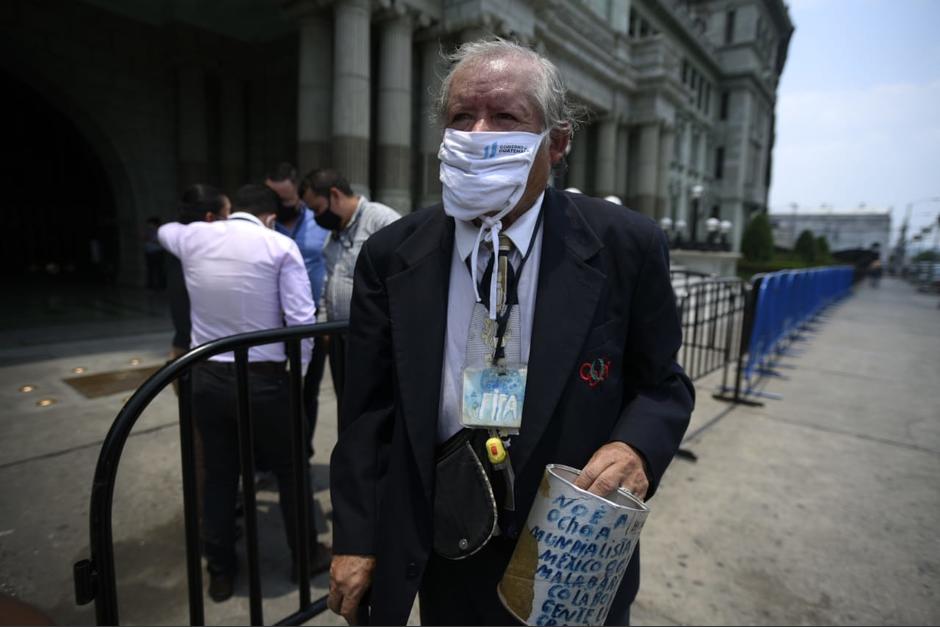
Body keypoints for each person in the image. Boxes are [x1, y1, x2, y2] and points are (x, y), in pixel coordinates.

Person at [328, 39, 694, 625]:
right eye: (460, 117)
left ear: (557, 142)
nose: (478, 133)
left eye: (505, 117)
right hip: (444, 542)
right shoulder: (392, 255)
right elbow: (367, 413)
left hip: (569, 548)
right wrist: (356, 534)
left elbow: (663, 384)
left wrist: (636, 449)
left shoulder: (626, 244)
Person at [159, 184, 330, 602]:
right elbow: (301, 322)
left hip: (208, 378)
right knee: (291, 470)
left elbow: (164, 231)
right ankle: (304, 556)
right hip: (265, 379)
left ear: (229, 210)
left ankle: (220, 569)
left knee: (219, 474)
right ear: (270, 216)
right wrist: (301, 377)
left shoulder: (193, 236)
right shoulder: (278, 247)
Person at [298, 168, 400, 413]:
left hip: (375, 339)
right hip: (339, 338)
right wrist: (323, 322)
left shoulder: (381, 220)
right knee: (347, 404)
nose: (315, 217)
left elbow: (403, 276)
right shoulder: (333, 236)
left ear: (335, 195)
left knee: (374, 405)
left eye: (317, 209)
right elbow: (328, 282)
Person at [266, 163, 330, 457]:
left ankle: (302, 451)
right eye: (277, 201)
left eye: (289, 200)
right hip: (271, 321)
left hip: (311, 319)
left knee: (308, 390)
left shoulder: (320, 223)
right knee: (273, 392)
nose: (284, 206)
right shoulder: (263, 226)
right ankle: (275, 454)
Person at [166, 184, 231, 362]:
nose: (230, 220)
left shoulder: (175, 244)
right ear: (210, 217)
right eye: (227, 214)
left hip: (184, 345)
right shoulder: (204, 254)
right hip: (206, 351)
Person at [143, 216, 166, 290]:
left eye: (150, 223)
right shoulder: (148, 231)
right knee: (150, 270)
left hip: (157, 252)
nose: (148, 225)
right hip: (149, 252)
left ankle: (161, 286)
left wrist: (150, 239)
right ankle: (150, 286)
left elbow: (161, 242)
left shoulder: (159, 231)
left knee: (159, 270)